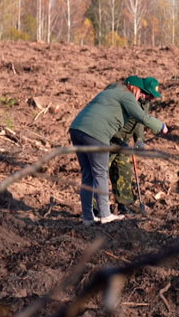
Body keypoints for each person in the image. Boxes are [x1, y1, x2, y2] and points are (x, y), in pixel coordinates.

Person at [69, 76, 168, 226]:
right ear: (134, 88)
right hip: (96, 133)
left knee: (88, 175)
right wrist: (161, 126)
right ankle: (105, 214)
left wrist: (138, 139)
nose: (143, 97)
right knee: (100, 174)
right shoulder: (127, 95)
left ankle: (88, 218)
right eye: (142, 93)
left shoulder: (110, 91)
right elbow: (141, 116)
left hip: (77, 129)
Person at [108, 76, 161, 214]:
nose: (151, 99)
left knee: (124, 169)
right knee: (100, 171)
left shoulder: (144, 103)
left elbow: (139, 122)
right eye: (150, 95)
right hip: (109, 137)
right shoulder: (129, 97)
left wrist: (139, 140)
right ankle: (95, 207)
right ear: (143, 90)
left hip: (122, 141)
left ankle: (124, 204)